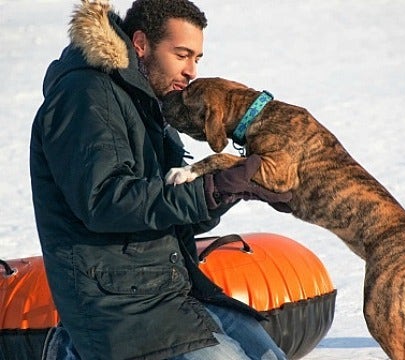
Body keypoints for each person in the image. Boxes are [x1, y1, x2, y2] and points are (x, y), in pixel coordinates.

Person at [29, 0, 291, 359]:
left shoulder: (148, 100)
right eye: (182, 54)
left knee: (268, 354)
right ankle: (70, 350)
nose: (191, 71)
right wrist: (205, 191)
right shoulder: (85, 96)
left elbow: (167, 209)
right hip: (117, 307)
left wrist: (231, 189)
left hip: (169, 291)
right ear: (140, 44)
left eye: (197, 58)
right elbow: (105, 201)